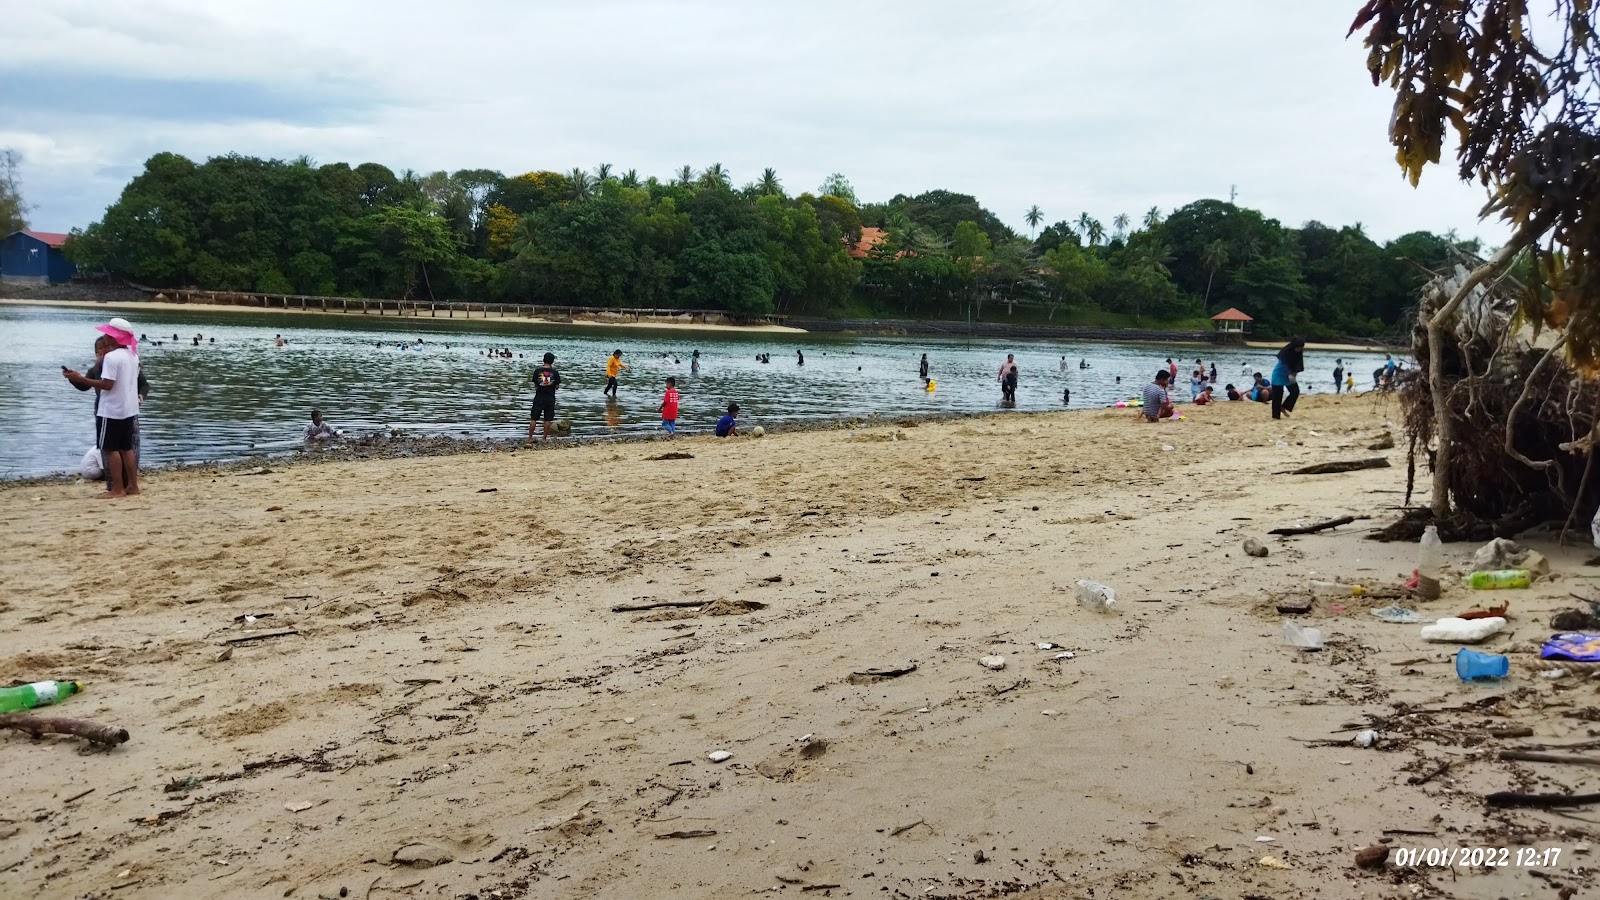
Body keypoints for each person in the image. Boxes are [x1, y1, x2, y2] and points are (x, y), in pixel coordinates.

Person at [63, 318, 141, 498]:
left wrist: (80, 378)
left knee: (110, 449)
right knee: (126, 448)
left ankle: (117, 488)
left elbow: (107, 385)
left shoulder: (112, 358)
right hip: (128, 410)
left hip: (111, 410)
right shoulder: (132, 355)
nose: (104, 337)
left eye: (108, 334)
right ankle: (133, 486)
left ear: (114, 337)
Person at [71, 335, 152, 463]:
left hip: (124, 409)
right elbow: (84, 386)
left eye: (106, 347)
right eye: (99, 349)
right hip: (103, 409)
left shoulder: (122, 364)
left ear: (112, 347)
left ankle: (125, 477)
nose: (102, 351)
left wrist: (141, 395)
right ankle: (111, 474)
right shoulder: (96, 368)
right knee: (109, 447)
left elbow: (143, 384)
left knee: (125, 446)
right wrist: (74, 378)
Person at [528, 352, 561, 443]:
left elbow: (535, 384)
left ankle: (530, 437)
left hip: (539, 397)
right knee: (548, 419)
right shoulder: (555, 372)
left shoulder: (538, 371)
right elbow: (557, 386)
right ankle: (544, 438)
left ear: (543, 360)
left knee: (534, 418)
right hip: (550, 398)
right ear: (552, 361)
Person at [1271, 337, 1306, 420]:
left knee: (1295, 391)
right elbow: (1284, 364)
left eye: (1301, 348)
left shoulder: (1299, 352)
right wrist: (1289, 374)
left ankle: (1284, 407)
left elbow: (1299, 364)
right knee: (1277, 397)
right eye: (1298, 348)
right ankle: (1276, 416)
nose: (1299, 350)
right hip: (1279, 373)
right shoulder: (1285, 352)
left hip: (1291, 374)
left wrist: (1295, 373)